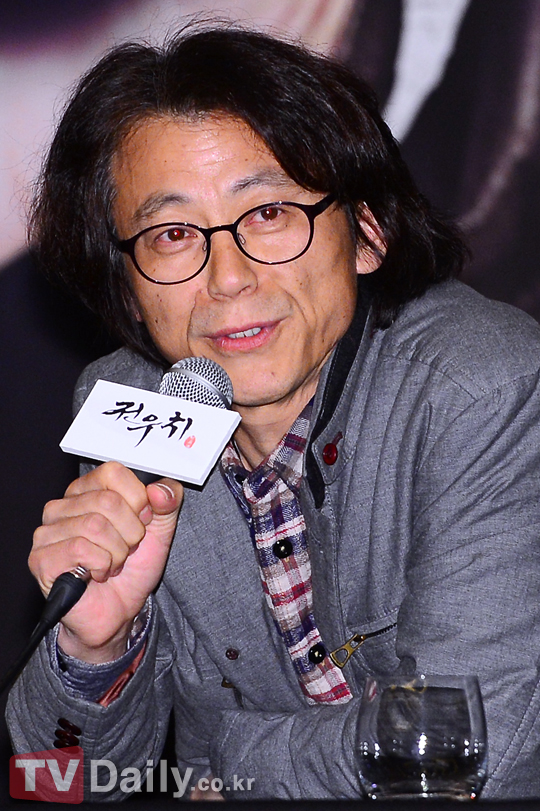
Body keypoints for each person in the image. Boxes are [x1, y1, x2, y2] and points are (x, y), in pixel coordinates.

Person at [6, 23, 540, 801]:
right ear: (127, 284)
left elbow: (476, 751)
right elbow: (60, 783)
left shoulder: (477, 387)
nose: (228, 277)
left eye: (268, 215)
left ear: (367, 233)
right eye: (173, 233)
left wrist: (223, 762)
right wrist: (95, 646)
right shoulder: (130, 406)